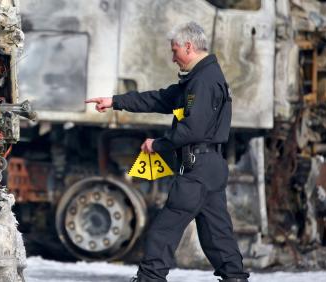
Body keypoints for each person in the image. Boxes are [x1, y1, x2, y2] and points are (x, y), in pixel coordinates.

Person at [85, 22, 250, 282]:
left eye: (175, 51)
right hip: (210, 167)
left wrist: (158, 145)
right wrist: (115, 101)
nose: (173, 58)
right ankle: (235, 278)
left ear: (189, 46)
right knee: (217, 236)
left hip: (197, 168)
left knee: (163, 232)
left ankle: (149, 279)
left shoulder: (204, 81)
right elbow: (160, 99)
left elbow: (192, 129)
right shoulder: (200, 78)